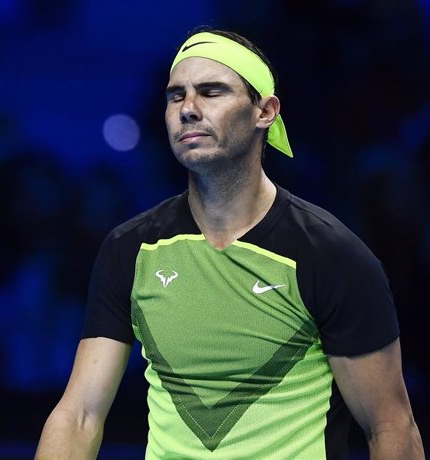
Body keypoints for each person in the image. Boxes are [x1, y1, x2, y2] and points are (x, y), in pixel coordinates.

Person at [34, 27, 424, 459]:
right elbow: (79, 415)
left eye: (211, 92)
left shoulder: (332, 255)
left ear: (265, 111)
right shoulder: (130, 249)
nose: (188, 110)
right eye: (175, 96)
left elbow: (390, 426)